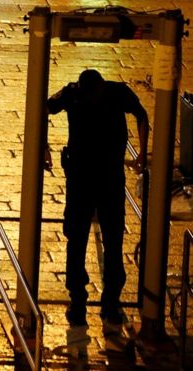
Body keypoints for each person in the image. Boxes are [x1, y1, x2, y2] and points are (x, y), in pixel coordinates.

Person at [46, 70, 148, 333]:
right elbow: (44, 108)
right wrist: (42, 145)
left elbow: (142, 115)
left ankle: (109, 302)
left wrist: (142, 156)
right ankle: (80, 301)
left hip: (106, 178)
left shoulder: (115, 92)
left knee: (111, 240)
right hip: (83, 178)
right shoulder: (73, 93)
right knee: (79, 238)